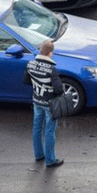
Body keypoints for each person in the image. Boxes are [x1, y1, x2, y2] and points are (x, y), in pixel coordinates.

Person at [22, 39, 64, 168]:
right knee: (50, 131)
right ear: (50, 53)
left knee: (37, 128)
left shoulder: (30, 64)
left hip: (37, 101)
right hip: (49, 104)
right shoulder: (51, 69)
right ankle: (50, 160)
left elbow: (26, 81)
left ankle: (39, 155)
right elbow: (59, 90)